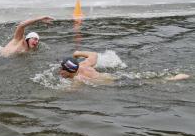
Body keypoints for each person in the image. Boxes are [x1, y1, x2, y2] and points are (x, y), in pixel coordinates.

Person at [60, 51, 190, 83]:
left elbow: (70, 91)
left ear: (70, 71)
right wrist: (78, 53)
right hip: (116, 77)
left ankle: (175, 78)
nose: (60, 71)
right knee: (146, 77)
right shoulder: (83, 65)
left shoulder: (79, 79)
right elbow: (93, 55)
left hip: (117, 82)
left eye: (63, 70)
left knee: (149, 81)